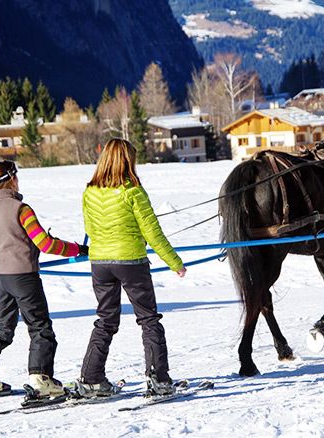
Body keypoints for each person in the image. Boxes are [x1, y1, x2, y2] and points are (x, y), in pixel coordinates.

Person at [0, 160, 88, 399]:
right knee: (40, 327)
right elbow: (45, 243)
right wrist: (78, 249)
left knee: (3, 327)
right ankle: (42, 379)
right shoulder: (22, 209)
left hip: (1, 279)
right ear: (13, 179)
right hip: (25, 278)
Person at [78, 138, 186, 398]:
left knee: (105, 320)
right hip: (131, 262)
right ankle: (158, 378)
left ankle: (91, 378)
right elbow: (152, 232)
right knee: (148, 319)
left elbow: (90, 230)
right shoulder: (133, 191)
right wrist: (175, 263)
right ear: (128, 161)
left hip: (100, 263)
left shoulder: (89, 191)